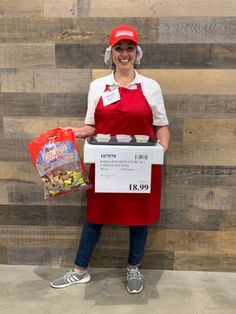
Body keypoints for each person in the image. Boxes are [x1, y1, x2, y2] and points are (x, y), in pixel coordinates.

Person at [51, 25, 170, 294]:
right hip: (106, 164)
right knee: (95, 216)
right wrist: (77, 132)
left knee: (139, 218)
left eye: (129, 48)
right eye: (119, 48)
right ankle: (80, 270)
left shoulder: (150, 87)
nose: (124, 53)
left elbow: (161, 127)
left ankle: (133, 268)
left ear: (136, 52)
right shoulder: (98, 86)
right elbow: (92, 126)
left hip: (141, 165)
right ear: (111, 52)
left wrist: (161, 149)